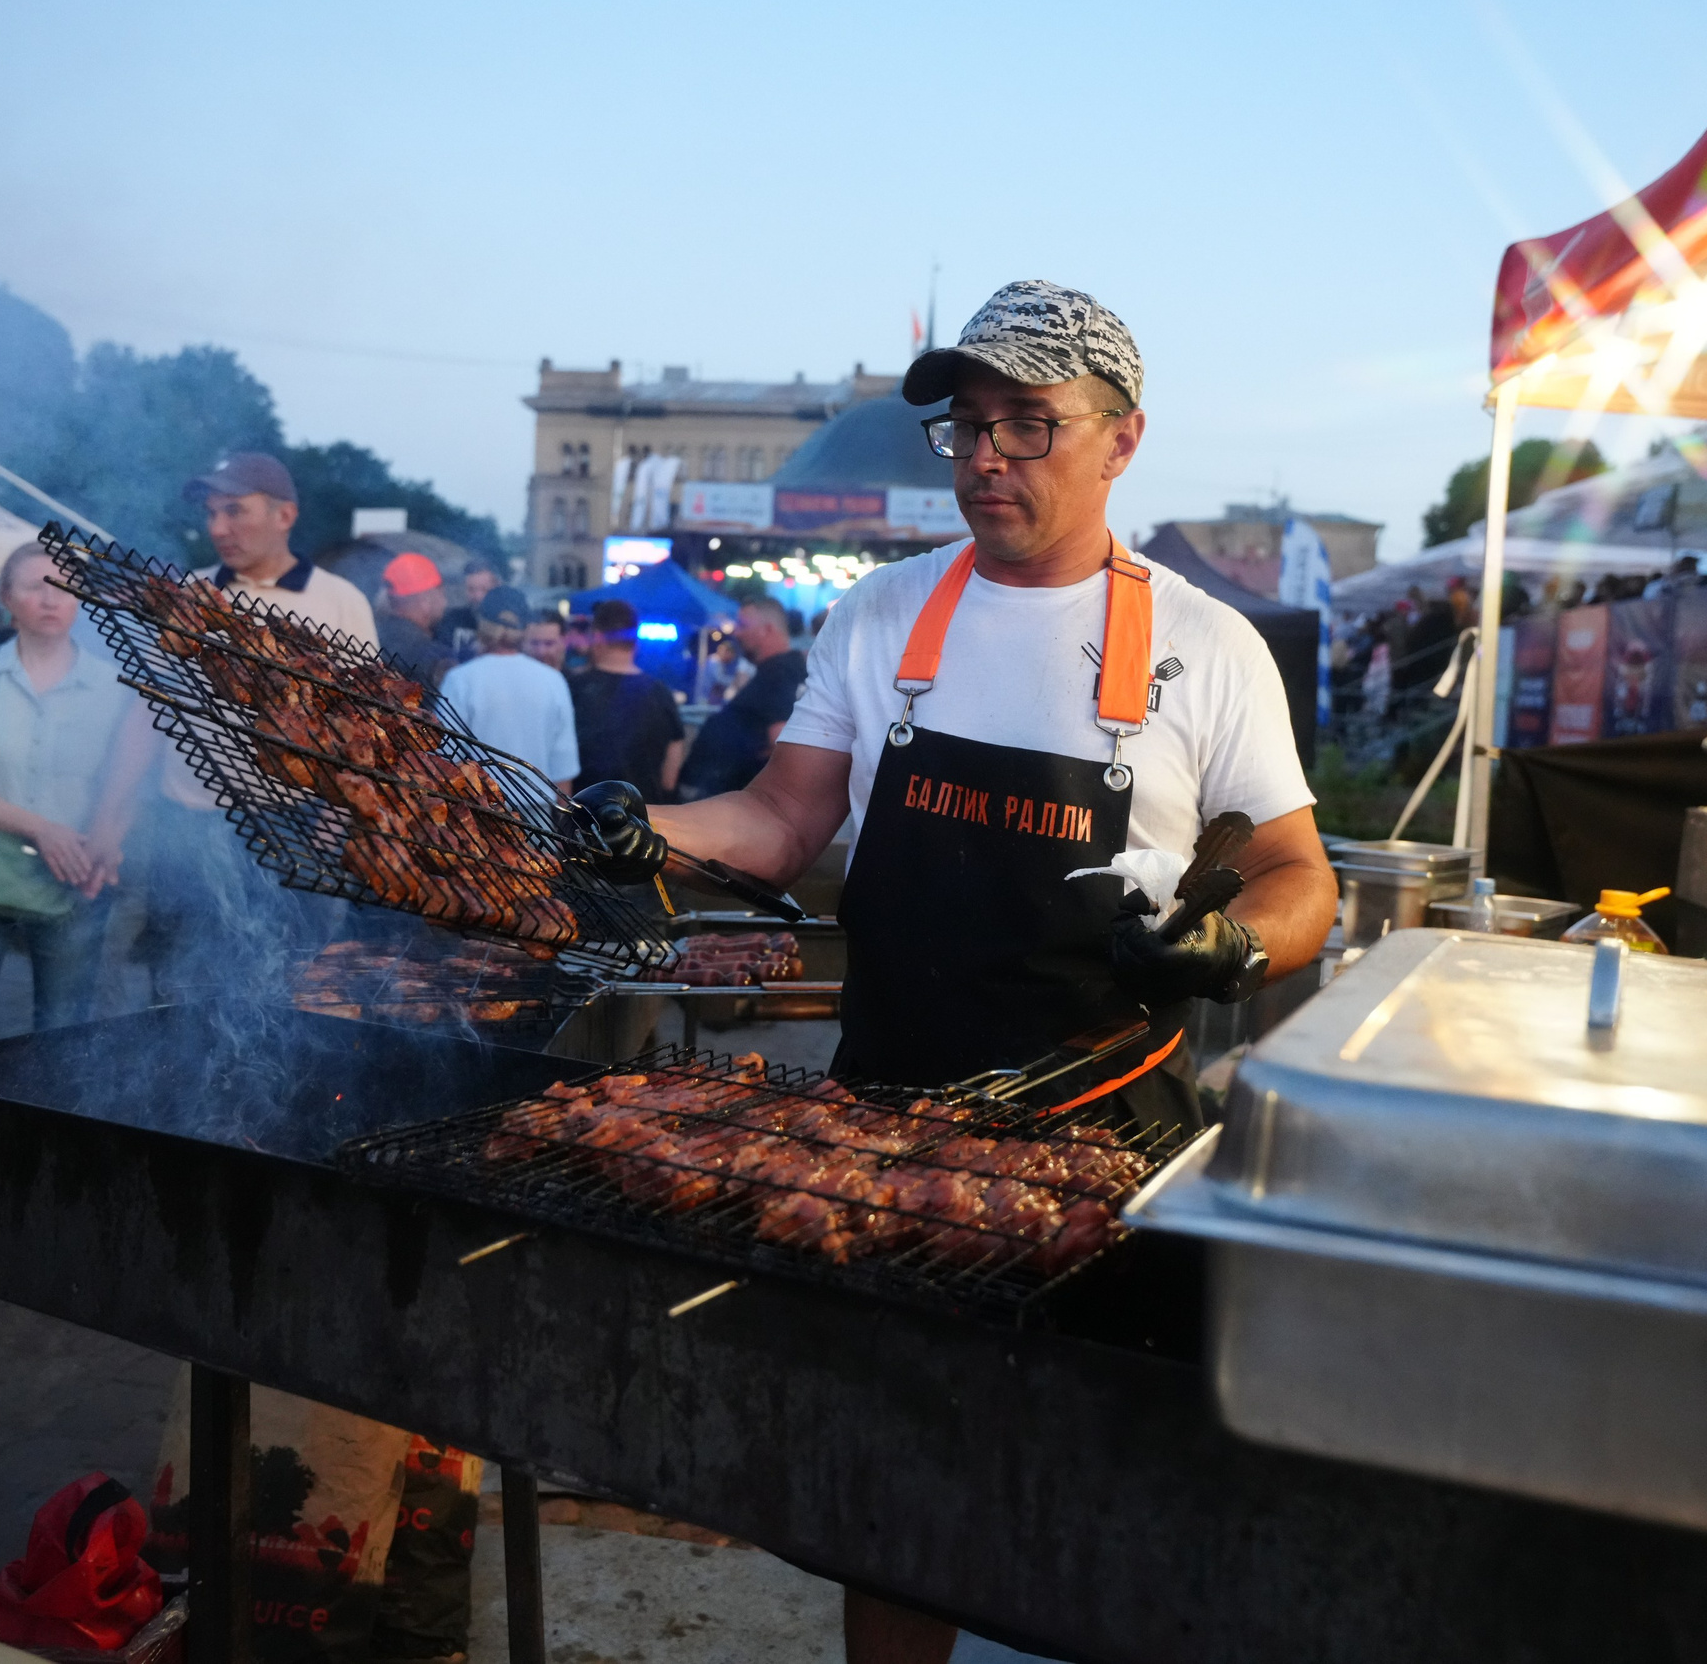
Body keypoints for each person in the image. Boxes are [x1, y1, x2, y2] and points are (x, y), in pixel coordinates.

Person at [566, 281, 1336, 1664]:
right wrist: (653, 826)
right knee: (897, 1491)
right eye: (970, 426)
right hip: (882, 1128)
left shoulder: (1205, 647)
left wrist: (1231, 942)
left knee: (1100, 1482)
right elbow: (785, 817)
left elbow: (1301, 881)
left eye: (1031, 424)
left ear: (1123, 438)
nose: (988, 457)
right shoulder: (883, 615)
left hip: (1105, 1140)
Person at [93, 454, 376, 1000]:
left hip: (298, 829)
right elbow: (146, 716)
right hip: (190, 829)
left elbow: (363, 725)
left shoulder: (340, 602)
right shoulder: (188, 596)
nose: (218, 528)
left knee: (289, 995)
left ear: (284, 515)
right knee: (179, 990)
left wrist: (340, 814)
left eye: (234, 511)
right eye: (211, 513)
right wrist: (109, 818)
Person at [0, 542, 136, 1049]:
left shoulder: (115, 685)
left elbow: (128, 784)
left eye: (65, 587)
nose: (51, 599)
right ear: (6, 597)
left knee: (62, 1041)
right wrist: (40, 827)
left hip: (72, 880)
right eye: (34, 586)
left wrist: (110, 839)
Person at [436, 587, 578, 794]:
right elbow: (563, 764)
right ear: (525, 627)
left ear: (482, 624)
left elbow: (446, 755)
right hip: (537, 814)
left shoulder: (461, 679)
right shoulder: (553, 680)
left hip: (479, 809)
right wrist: (564, 822)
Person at [675, 596, 804, 798]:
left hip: (724, 801)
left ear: (767, 630)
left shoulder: (778, 673)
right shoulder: (780, 671)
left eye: (743, 625)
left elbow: (782, 744)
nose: (736, 632)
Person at [569, 598, 686, 801]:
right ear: (635, 642)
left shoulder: (573, 688)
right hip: (644, 820)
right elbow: (669, 778)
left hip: (585, 820)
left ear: (597, 637)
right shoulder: (661, 693)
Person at [374, 552, 454, 692]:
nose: (444, 600)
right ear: (425, 601)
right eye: (440, 591)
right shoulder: (436, 657)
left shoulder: (371, 636)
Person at [434, 557, 503, 660]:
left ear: (497, 588)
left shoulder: (508, 625)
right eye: (471, 589)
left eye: (484, 589)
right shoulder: (451, 620)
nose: (478, 596)